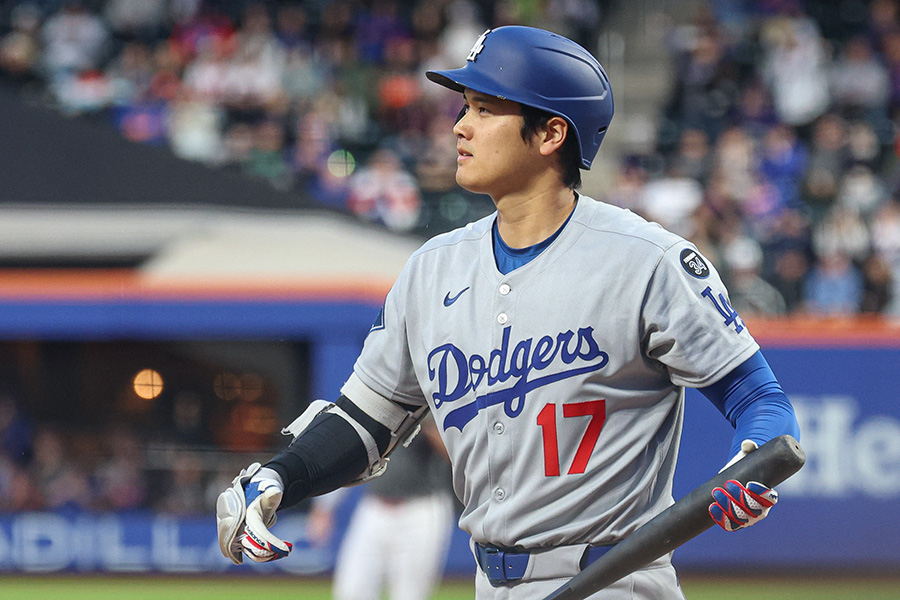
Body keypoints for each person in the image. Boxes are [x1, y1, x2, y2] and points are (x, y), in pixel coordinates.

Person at [216, 26, 801, 600]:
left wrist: (750, 464)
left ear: (551, 133)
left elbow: (761, 400)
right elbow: (364, 422)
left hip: (613, 580)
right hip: (491, 584)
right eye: (464, 106)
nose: (460, 125)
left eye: (485, 108)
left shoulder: (647, 261)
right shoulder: (432, 269)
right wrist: (280, 475)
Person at [306, 416, 454, 600]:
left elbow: (453, 455)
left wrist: (425, 422)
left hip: (421, 508)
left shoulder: (431, 409)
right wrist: (324, 508)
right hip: (375, 507)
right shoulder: (379, 408)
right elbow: (350, 454)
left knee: (410, 594)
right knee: (352, 591)